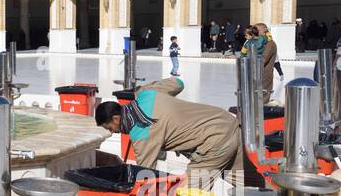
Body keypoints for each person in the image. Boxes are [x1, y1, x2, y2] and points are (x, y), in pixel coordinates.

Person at [94, 77, 242, 189]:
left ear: (116, 119)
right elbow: (178, 83)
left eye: (110, 128)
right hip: (227, 122)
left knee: (187, 195)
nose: (113, 133)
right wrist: (143, 89)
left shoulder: (141, 132)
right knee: (248, 182)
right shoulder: (146, 93)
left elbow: (145, 174)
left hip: (214, 142)